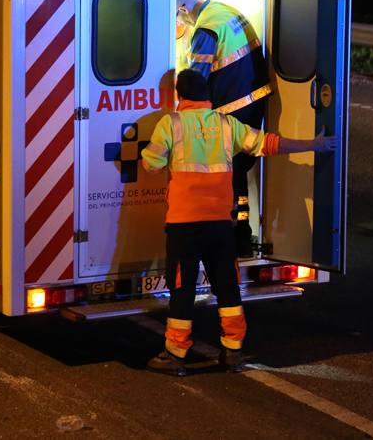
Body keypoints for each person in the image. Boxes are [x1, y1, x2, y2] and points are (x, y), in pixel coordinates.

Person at [141, 70, 335, 375]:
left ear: (180, 96)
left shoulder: (172, 123)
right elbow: (269, 144)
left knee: (183, 289)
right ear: (208, 96)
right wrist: (315, 144)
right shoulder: (225, 124)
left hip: (184, 225)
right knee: (227, 287)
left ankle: (175, 354)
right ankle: (233, 351)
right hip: (220, 225)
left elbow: (150, 164)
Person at [176, 0, 271, 258]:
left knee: (224, 178)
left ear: (183, 9)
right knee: (238, 175)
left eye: (179, 19)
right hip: (252, 103)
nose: (181, 27)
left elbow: (196, 80)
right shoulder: (224, 11)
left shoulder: (205, 30)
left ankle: (224, 240)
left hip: (234, 109)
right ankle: (240, 236)